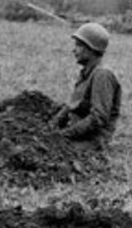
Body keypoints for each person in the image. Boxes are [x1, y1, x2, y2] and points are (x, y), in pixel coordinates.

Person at [49, 22, 121, 150]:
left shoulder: (102, 75)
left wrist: (64, 134)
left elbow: (97, 119)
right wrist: (54, 123)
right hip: (79, 130)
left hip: (93, 140)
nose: (74, 50)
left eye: (79, 45)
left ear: (91, 49)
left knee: (51, 149)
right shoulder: (87, 72)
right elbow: (73, 104)